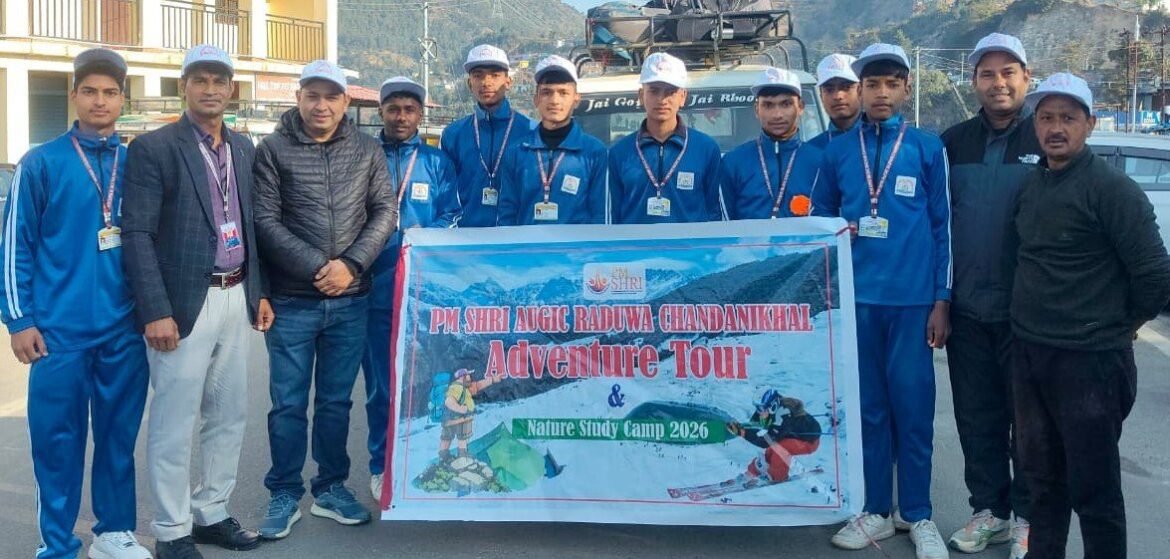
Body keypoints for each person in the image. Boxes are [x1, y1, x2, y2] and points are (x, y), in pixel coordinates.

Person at [1, 47, 152, 559]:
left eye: (110, 92)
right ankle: (58, 544)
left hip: (123, 331)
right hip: (57, 334)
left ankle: (113, 533)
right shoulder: (41, 162)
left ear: (123, 100)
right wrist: (19, 320)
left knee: (117, 439)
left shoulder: (138, 164)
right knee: (57, 443)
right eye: (89, 91)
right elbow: (15, 246)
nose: (99, 101)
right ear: (74, 96)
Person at [1012, 73, 1170, 559]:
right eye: (1046, 118)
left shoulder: (1111, 189)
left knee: (1094, 490)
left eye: (1068, 118)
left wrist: (1123, 325)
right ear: (1035, 126)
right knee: (1042, 484)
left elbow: (1155, 272)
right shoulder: (1034, 184)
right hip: (1031, 354)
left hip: (1091, 363)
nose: (1055, 128)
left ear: (1090, 124)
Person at [122, 44, 270, 559]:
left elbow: (251, 225)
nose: (210, 89)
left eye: (219, 81)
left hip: (235, 294)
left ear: (232, 89)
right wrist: (155, 310)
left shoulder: (244, 147)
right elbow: (137, 234)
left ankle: (212, 511)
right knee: (174, 422)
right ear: (183, 86)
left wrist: (259, 292)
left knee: (229, 415)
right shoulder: (154, 147)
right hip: (183, 305)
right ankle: (171, 530)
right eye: (200, 80)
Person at [811, 43, 952, 559]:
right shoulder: (836, 153)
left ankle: (916, 513)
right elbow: (821, 222)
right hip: (857, 302)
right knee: (868, 410)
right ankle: (874, 508)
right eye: (872, 84)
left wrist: (942, 299)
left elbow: (943, 227)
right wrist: (838, 236)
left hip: (912, 303)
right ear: (860, 90)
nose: (882, 93)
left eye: (892, 83)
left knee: (912, 409)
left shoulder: (927, 148)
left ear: (906, 89)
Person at [252, 60, 396, 539]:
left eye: (331, 96)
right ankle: (284, 491)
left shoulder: (367, 150)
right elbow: (265, 221)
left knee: (336, 403)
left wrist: (351, 265)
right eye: (312, 95)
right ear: (298, 98)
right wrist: (320, 267)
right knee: (288, 404)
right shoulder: (272, 150)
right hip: (293, 301)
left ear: (345, 102)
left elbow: (384, 211)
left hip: (351, 301)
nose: (321, 105)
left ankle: (331, 488)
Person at [939, 33, 1039, 558]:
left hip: (1029, 315)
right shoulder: (952, 143)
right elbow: (938, 226)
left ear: (1026, 78)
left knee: (1030, 423)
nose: (998, 83)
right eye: (987, 74)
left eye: (1008, 72)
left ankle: (1029, 518)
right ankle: (990, 513)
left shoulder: (1046, 137)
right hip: (968, 311)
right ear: (974, 81)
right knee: (977, 419)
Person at [364, 76, 459, 502]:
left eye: (409, 110)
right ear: (381, 112)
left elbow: (453, 214)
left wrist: (419, 242)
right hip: (373, 286)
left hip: (422, 288)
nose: (401, 117)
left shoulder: (437, 161)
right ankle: (380, 465)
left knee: (426, 383)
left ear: (420, 114)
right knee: (380, 385)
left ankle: (421, 458)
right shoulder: (364, 156)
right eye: (393, 109)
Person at [608, 52, 725, 223]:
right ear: (641, 96)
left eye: (670, 92)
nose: (662, 100)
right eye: (654, 91)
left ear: (682, 97)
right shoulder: (619, 152)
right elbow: (614, 214)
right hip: (635, 241)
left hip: (691, 242)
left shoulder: (706, 149)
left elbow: (714, 212)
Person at [498, 55, 610, 225]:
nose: (554, 101)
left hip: (576, 243)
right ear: (536, 99)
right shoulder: (516, 152)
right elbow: (507, 214)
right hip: (526, 242)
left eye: (563, 93)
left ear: (576, 99)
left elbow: (600, 215)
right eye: (547, 92)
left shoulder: (595, 152)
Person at [440, 44, 533, 227]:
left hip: (517, 237)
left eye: (495, 75)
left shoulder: (530, 132)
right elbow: (445, 194)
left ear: (508, 82)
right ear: (469, 83)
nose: (486, 82)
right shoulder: (453, 134)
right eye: (478, 75)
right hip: (466, 237)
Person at [720, 67, 820, 220]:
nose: (777, 115)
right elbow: (725, 225)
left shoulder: (820, 161)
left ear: (800, 107)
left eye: (786, 104)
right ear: (756, 110)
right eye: (768, 105)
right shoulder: (733, 162)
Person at [725, 391, 822, 484]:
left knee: (779, 447)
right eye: (757, 408)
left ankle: (778, 476)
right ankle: (752, 473)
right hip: (791, 436)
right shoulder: (771, 407)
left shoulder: (783, 415)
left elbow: (765, 442)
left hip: (809, 442)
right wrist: (741, 427)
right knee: (772, 449)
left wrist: (743, 433)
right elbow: (755, 424)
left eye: (761, 408)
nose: (759, 411)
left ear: (772, 406)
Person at [438, 368, 503, 461]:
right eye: (468, 375)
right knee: (458, 437)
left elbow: (478, 385)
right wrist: (461, 409)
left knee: (450, 437)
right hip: (458, 419)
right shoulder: (457, 388)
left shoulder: (465, 388)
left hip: (456, 419)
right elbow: (449, 401)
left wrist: (492, 380)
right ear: (462, 377)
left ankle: (448, 456)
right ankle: (458, 456)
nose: (470, 378)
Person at [807, 53, 862, 152]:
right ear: (821, 96)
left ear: (860, 91)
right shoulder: (812, 150)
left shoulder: (882, 141)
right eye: (829, 90)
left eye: (846, 87)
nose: (837, 96)